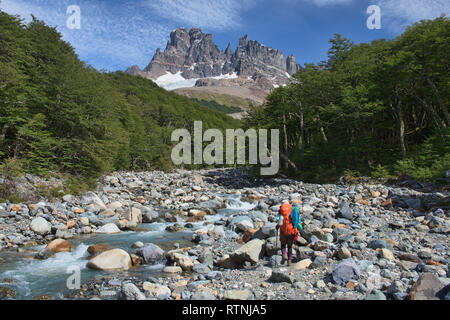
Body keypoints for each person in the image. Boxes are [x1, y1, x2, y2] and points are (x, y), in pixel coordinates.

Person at [276, 200, 302, 266]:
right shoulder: (293, 210)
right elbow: (297, 221)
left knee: (283, 244)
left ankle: (284, 255)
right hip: (291, 231)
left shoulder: (281, 211)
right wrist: (297, 228)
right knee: (290, 246)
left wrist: (277, 226)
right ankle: (289, 261)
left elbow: (278, 220)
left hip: (283, 230)